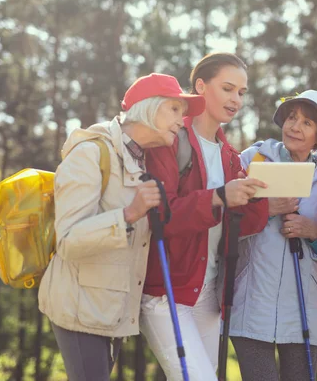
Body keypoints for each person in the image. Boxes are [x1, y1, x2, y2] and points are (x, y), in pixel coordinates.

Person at [37, 73, 205, 381]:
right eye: (175, 110)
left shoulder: (138, 158)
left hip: (109, 312)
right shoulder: (90, 153)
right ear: (148, 108)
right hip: (80, 310)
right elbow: (69, 240)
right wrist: (130, 214)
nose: (182, 122)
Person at [140, 53, 270, 380]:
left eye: (241, 92)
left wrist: (259, 198)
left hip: (208, 292)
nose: (236, 99)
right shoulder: (171, 139)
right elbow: (161, 215)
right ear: (200, 86)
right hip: (166, 290)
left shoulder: (230, 156)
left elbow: (238, 228)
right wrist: (219, 195)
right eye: (228, 88)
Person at [228, 90, 317, 380]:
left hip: (306, 313)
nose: (295, 126)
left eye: (307, 123)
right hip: (252, 307)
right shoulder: (251, 159)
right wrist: (265, 211)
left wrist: (314, 233)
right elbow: (223, 225)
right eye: (292, 117)